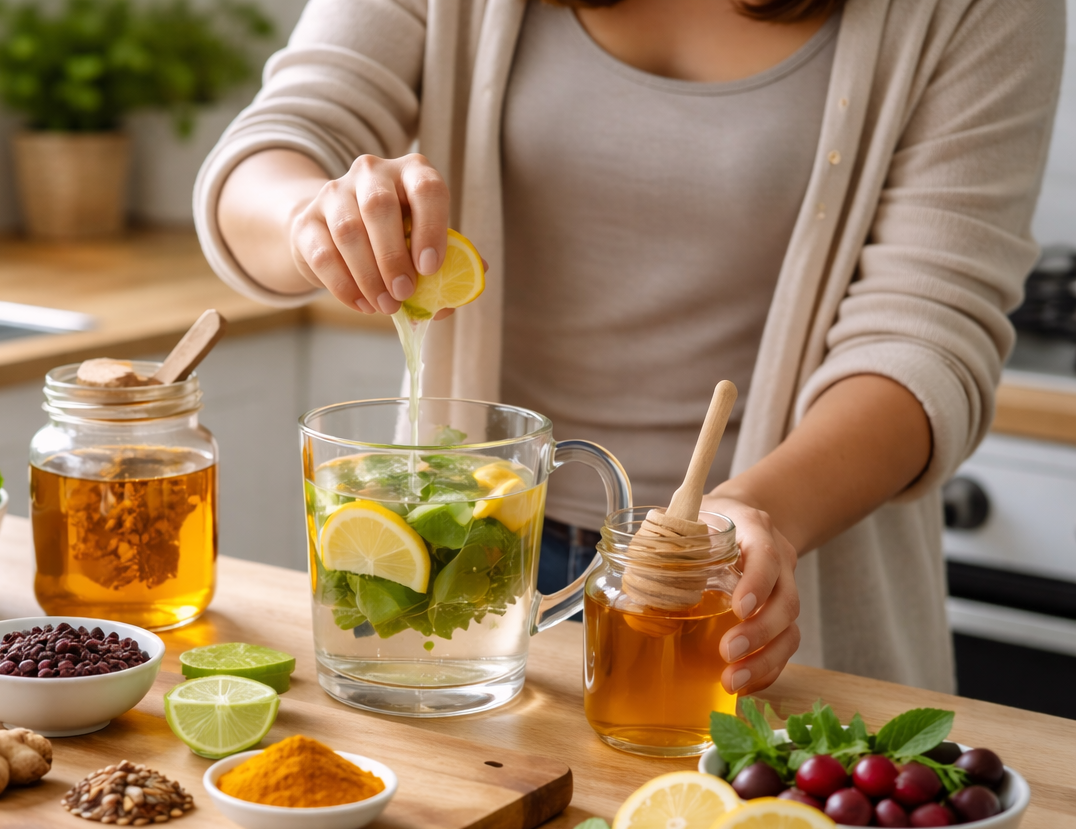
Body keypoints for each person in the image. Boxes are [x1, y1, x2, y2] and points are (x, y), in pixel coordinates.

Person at [195, 0, 1062, 696]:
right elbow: (272, 150)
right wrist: (316, 216)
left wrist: (757, 518)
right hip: (477, 575)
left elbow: (928, 336)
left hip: (750, 582)